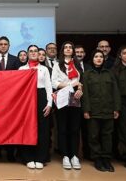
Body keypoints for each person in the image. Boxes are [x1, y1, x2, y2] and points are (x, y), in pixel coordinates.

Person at [83, 50, 121, 172]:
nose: (99, 58)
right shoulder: (87, 74)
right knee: (93, 136)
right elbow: (85, 94)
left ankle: (106, 159)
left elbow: (115, 92)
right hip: (93, 111)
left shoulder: (110, 74)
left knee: (107, 136)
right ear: (92, 59)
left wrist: (116, 108)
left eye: (101, 57)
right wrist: (86, 110)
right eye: (96, 56)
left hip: (108, 110)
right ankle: (97, 159)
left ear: (104, 59)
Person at [19, 45, 52, 169]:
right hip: (26, 100)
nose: (33, 53)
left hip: (41, 97)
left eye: (35, 51)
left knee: (42, 129)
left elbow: (49, 88)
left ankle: (40, 158)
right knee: (26, 128)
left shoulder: (44, 69)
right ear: (27, 54)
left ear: (39, 54)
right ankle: (28, 157)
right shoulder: (21, 69)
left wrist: (49, 104)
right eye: (31, 51)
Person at [51, 41, 83, 170]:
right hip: (62, 97)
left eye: (71, 47)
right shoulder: (57, 64)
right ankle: (65, 156)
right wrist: (71, 85)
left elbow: (81, 82)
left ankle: (74, 155)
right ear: (62, 50)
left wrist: (80, 88)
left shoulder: (78, 64)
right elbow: (54, 82)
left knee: (75, 129)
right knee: (62, 128)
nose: (68, 49)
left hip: (75, 97)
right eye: (66, 47)